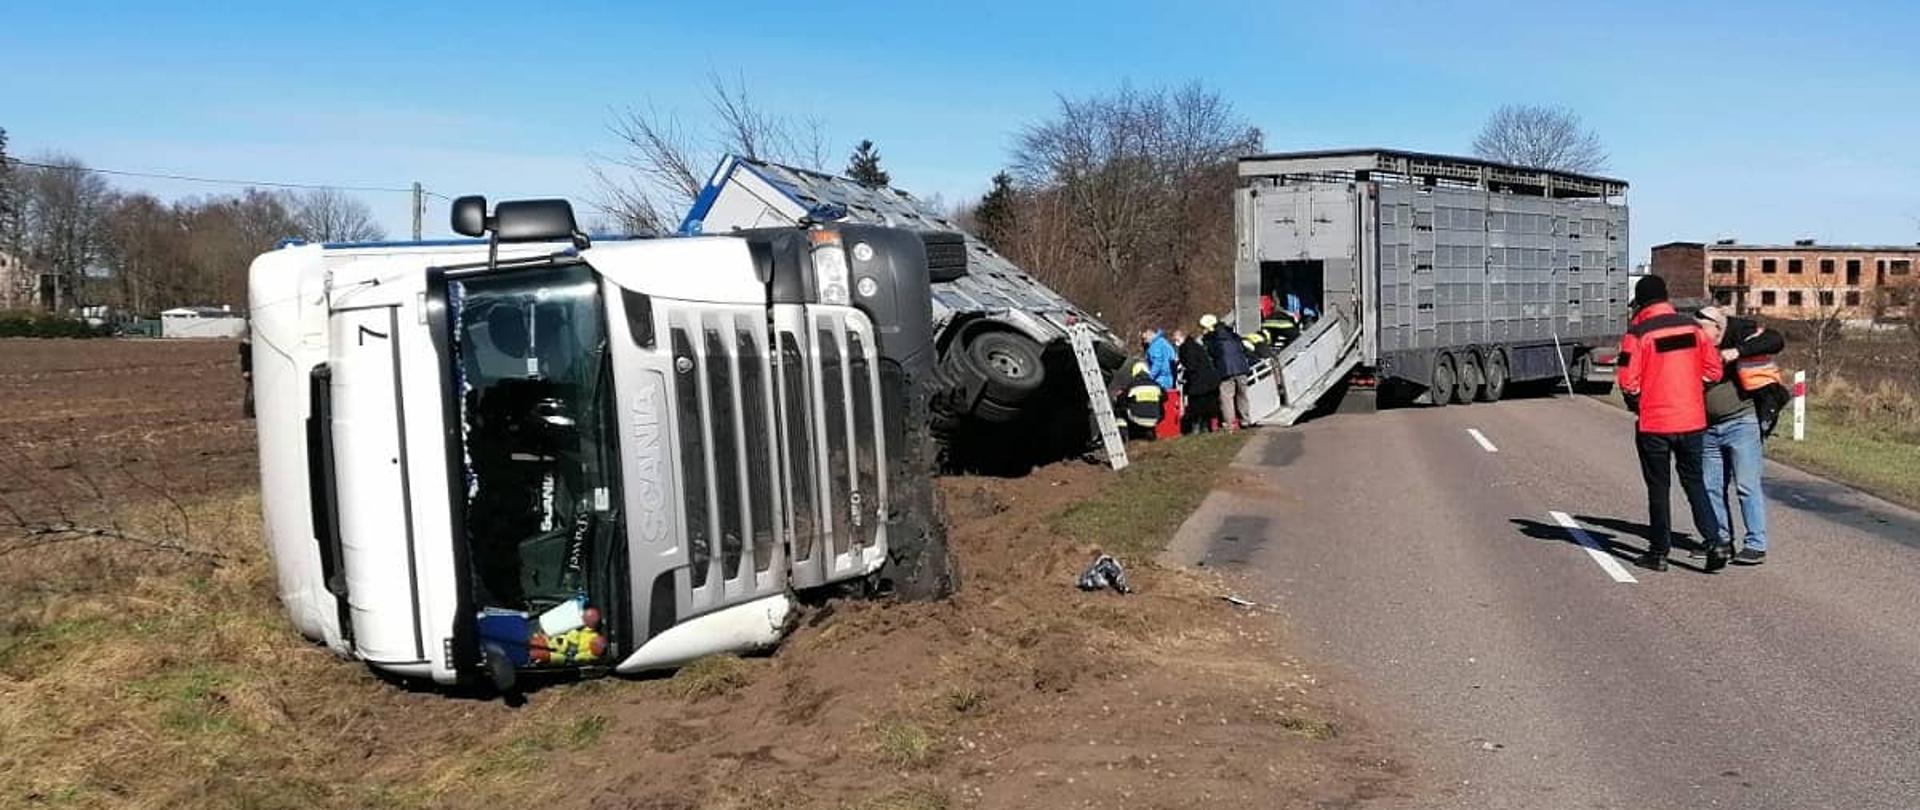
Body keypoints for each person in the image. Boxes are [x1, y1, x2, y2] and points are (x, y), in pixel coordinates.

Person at [1617, 275, 1728, 572]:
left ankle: (1659, 552)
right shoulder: (1693, 328)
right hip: (1692, 420)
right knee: (1695, 483)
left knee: (1659, 488)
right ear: (1666, 297)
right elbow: (1714, 371)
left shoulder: (1637, 333)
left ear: (1640, 302)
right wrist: (1695, 388)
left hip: (1655, 423)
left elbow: (1627, 381)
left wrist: (1638, 399)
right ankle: (1715, 541)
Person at [1695, 306, 1785, 565]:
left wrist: (1736, 352)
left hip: (1741, 423)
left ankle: (1756, 543)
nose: (1701, 337)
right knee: (1711, 487)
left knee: (1746, 485)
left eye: (1704, 331)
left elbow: (1775, 340)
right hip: (1707, 428)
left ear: (1718, 327)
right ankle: (1720, 541)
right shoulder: (1697, 343)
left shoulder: (1741, 332)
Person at [1201, 314, 1254, 430]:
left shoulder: (1211, 339)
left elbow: (1210, 356)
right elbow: (1244, 350)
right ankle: (1246, 420)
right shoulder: (1233, 335)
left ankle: (1229, 424)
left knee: (1227, 398)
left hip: (1225, 371)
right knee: (1242, 395)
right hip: (1241, 368)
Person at [1174, 329, 1221, 434]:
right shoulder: (1195, 345)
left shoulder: (1186, 348)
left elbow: (1191, 366)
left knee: (1196, 407)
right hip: (1207, 382)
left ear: (1181, 337)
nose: (1175, 342)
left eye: (1176, 339)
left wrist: (1185, 376)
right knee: (1206, 407)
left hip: (1199, 383)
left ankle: (1197, 428)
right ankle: (1206, 427)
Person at [1142, 328, 1182, 439]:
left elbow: (1157, 363)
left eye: (1144, 339)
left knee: (1162, 405)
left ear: (1149, 336)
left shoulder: (1154, 347)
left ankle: (1163, 430)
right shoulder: (1164, 342)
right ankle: (1172, 429)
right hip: (1170, 376)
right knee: (1171, 403)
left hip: (1161, 379)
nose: (1144, 342)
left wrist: (1149, 377)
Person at [1119, 361, 1164, 441]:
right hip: (1155, 419)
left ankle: (1124, 437)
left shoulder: (1132, 386)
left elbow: (1121, 400)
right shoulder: (1156, 385)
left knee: (1121, 410)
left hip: (1136, 420)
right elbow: (1165, 397)